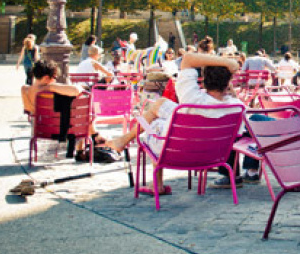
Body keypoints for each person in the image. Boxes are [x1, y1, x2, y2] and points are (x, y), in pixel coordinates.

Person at [103, 53, 243, 193]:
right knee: (161, 104)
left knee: (154, 126)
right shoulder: (237, 107)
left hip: (175, 153)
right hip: (211, 156)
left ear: (204, 81)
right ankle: (123, 140)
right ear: (228, 82)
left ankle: (156, 183)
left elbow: (188, 58)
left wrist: (228, 62)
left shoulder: (191, 97)